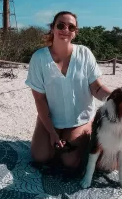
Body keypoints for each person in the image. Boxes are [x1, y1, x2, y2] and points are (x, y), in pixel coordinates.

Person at [25, 11, 112, 174]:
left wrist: (115, 97)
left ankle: (89, 129)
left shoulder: (84, 54)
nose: (65, 29)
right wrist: (51, 132)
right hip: (50, 118)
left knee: (70, 161)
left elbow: (97, 88)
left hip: (79, 118)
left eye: (71, 27)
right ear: (52, 28)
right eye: (61, 25)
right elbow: (39, 99)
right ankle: (57, 136)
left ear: (75, 32)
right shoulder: (39, 58)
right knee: (40, 156)